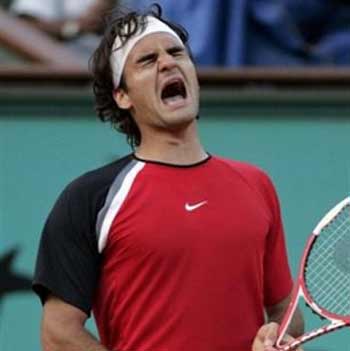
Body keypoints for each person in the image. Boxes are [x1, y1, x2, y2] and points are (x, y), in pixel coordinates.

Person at [32, 3, 304, 351]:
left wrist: (275, 337)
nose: (167, 62)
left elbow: (285, 311)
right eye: (147, 60)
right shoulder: (90, 198)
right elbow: (58, 336)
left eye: (176, 52)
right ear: (123, 95)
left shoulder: (256, 184)